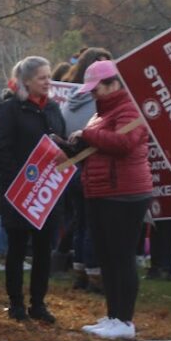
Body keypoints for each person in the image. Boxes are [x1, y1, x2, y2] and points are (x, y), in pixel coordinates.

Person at [68, 61, 152, 339]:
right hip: (102, 192)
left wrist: (88, 134)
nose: (94, 94)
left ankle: (125, 320)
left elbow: (124, 143)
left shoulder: (130, 108)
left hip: (125, 194)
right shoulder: (102, 113)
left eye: (98, 88)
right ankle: (114, 314)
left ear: (114, 84)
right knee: (107, 257)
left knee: (121, 257)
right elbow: (100, 144)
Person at [0, 56, 67, 323]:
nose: (48, 82)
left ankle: (39, 303)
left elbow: (62, 143)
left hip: (47, 193)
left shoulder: (53, 109)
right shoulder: (11, 109)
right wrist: (20, 180)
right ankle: (16, 304)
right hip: (20, 192)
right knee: (16, 249)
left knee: (43, 250)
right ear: (26, 81)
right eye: (42, 78)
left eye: (49, 77)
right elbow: (0, 148)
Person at [61, 48, 113, 293]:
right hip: (92, 169)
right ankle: (94, 275)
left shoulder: (69, 101)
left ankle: (80, 271)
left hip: (71, 170)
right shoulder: (96, 105)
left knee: (80, 223)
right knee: (94, 224)